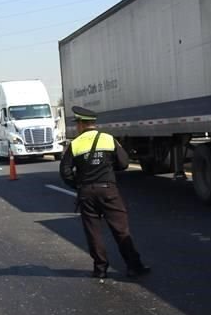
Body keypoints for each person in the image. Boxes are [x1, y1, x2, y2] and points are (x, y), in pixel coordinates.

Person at [59, 106, 150, 281]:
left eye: (77, 123)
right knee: (120, 230)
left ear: (81, 124)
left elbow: (65, 171)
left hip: (86, 192)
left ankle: (100, 269)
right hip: (108, 190)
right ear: (92, 123)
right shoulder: (109, 139)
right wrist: (108, 169)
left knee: (93, 232)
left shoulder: (75, 144)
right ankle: (133, 266)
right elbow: (123, 163)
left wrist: (78, 185)